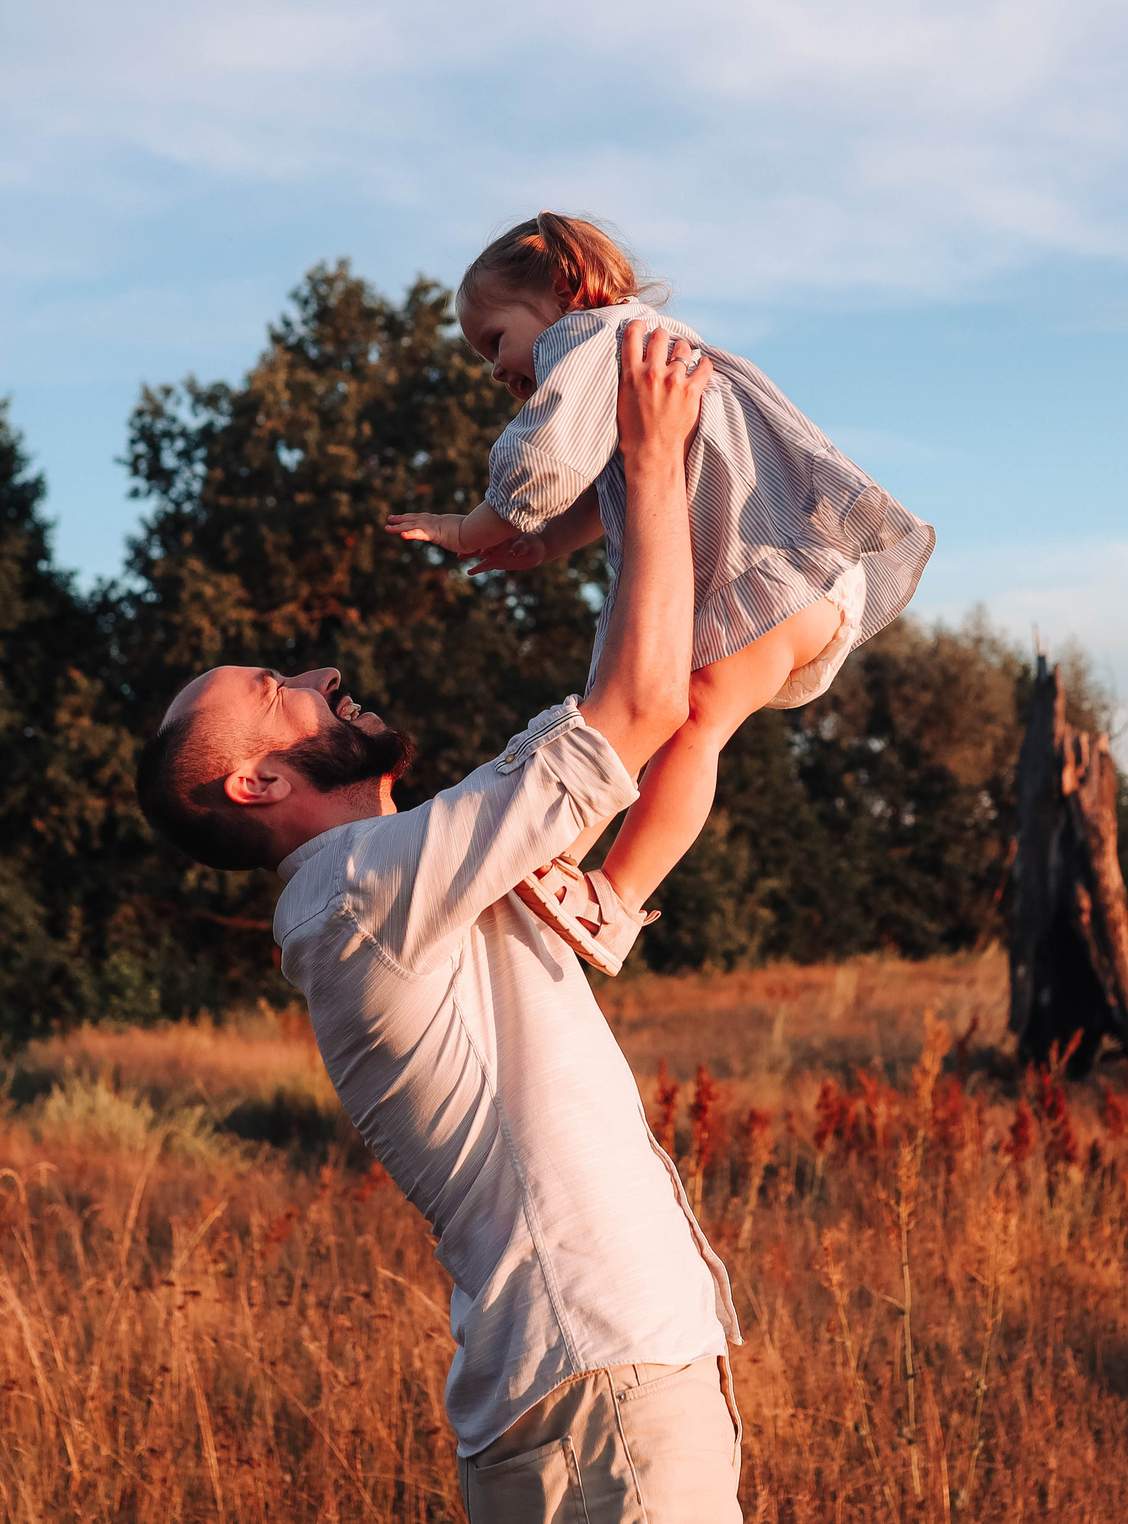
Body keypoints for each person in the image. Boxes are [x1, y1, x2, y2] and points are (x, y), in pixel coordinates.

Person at [136, 321, 744, 1524]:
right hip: (600, 1382)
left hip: (597, 1376)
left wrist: (600, 517)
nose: (314, 676)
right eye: (277, 693)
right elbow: (636, 702)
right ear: (257, 785)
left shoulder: (406, 883)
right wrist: (650, 456)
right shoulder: (349, 890)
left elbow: (625, 725)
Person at [385, 213, 935, 971]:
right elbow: (601, 478)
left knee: (688, 717)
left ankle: (611, 895)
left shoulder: (586, 338)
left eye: (492, 339)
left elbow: (544, 460)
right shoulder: (636, 346)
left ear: (561, 293)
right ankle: (562, 874)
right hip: (799, 576)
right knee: (686, 720)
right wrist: (544, 543)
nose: (491, 367)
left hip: (772, 565)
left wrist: (468, 527)